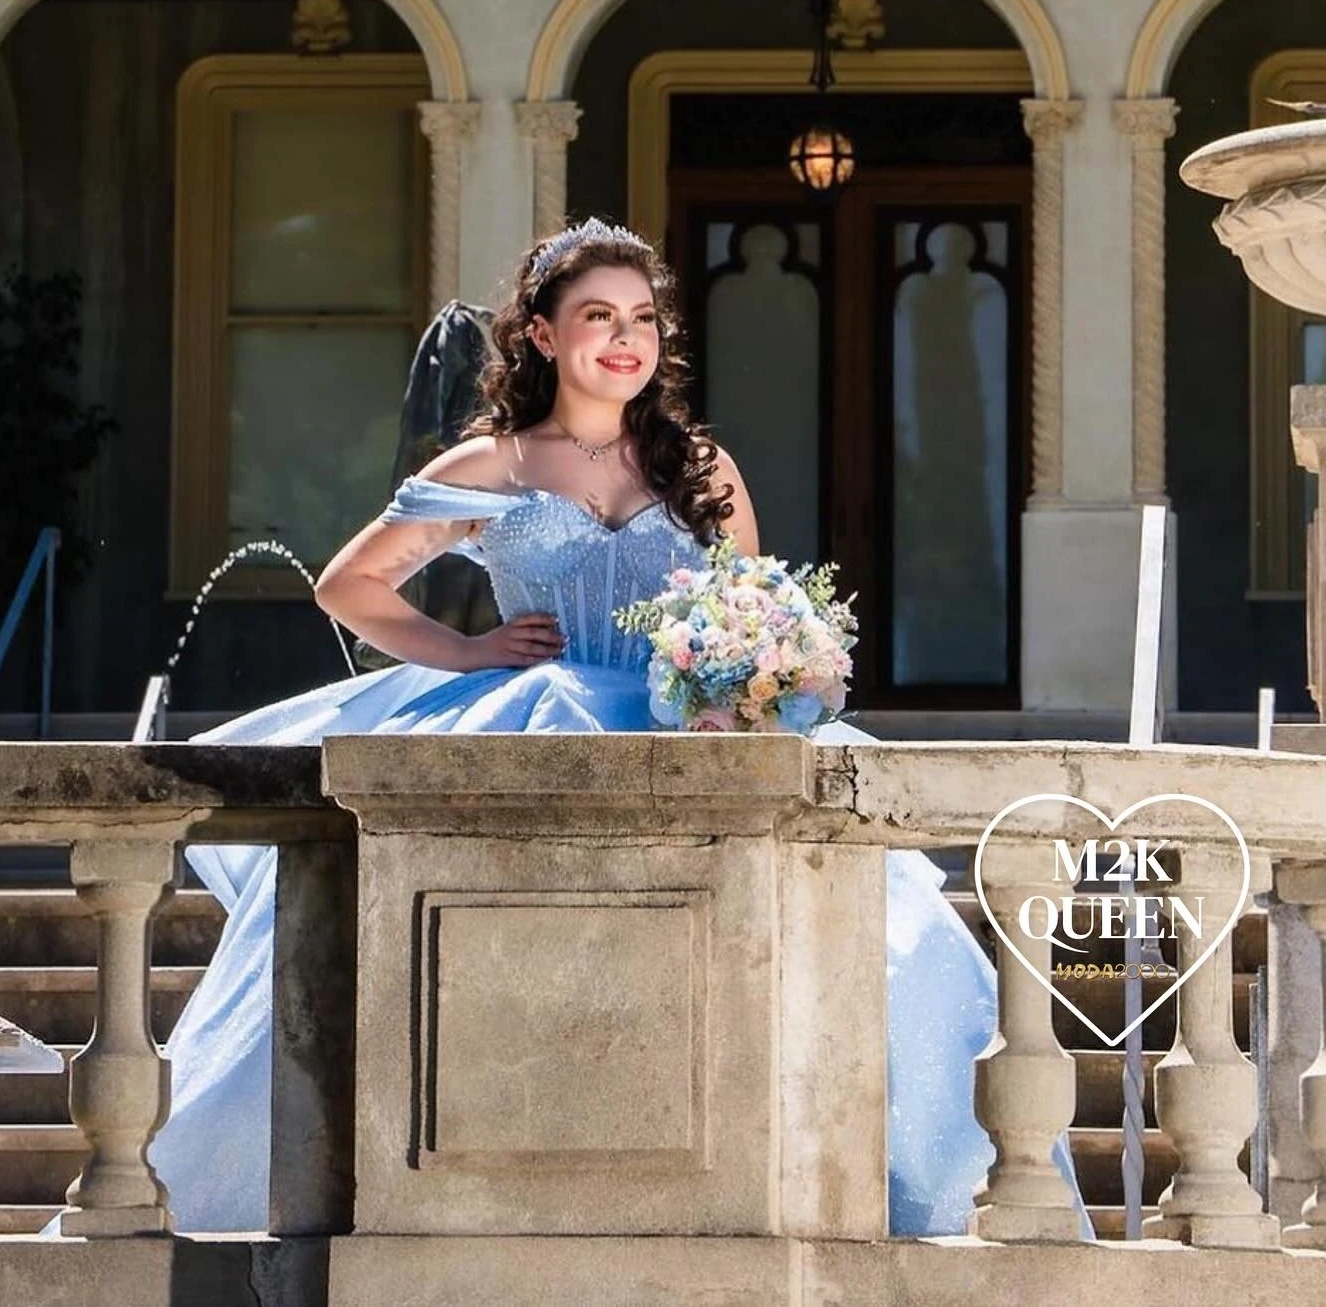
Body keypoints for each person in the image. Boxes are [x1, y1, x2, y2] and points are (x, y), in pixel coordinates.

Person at [144, 217, 1094, 1240]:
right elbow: (348, 584)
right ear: (544, 336)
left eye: (641, 318)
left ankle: (914, 1184)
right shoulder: (494, 464)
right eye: (597, 316)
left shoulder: (700, 464)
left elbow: (751, 610)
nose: (624, 339)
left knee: (899, 942)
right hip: (534, 712)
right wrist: (469, 651)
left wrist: (759, 681)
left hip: (678, 728)